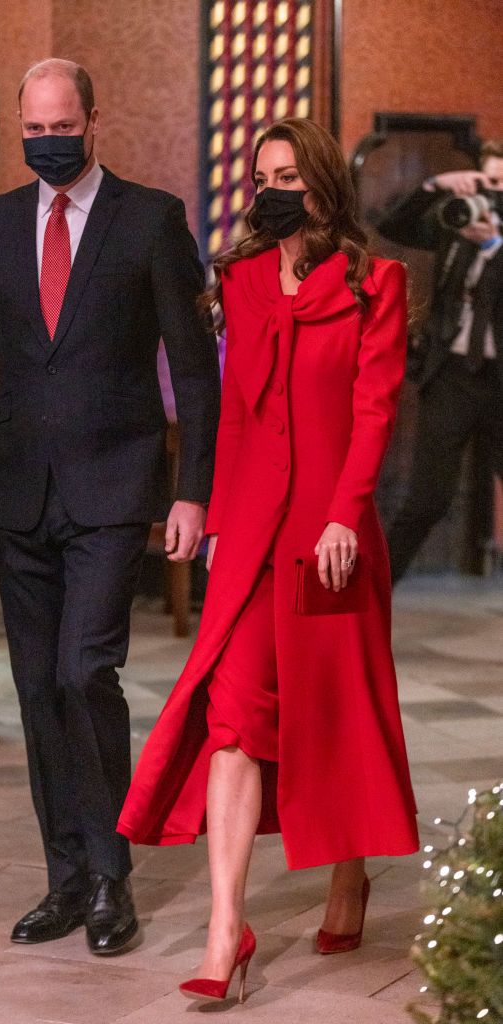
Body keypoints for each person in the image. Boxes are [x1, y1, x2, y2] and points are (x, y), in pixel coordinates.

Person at [117, 117, 419, 1003]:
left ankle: (348, 877)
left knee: (338, 711)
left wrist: (343, 517)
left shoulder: (376, 283)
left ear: (323, 183)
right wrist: (217, 523)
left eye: (288, 175)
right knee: (234, 720)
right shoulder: (241, 279)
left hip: (331, 539)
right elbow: (236, 414)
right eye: (262, 176)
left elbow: (374, 411)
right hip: (251, 538)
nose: (272, 190)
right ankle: (226, 932)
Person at [0, 59, 220, 955]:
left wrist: (192, 491)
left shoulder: (151, 219)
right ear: (20, 126)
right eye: (34, 129)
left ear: (94, 121)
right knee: (34, 688)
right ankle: (63, 876)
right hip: (20, 491)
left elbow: (193, 366)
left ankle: (108, 874)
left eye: (62, 127)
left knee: (82, 671)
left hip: (112, 488)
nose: (47, 141)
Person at [376, 141, 503, 583]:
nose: (492, 193)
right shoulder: (457, 222)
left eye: (501, 184)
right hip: (451, 376)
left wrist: (494, 245)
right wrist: (435, 186)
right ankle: (372, 596)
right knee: (426, 500)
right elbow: (393, 226)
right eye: (488, 181)